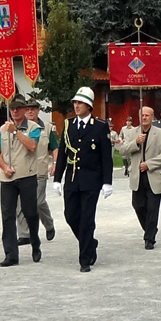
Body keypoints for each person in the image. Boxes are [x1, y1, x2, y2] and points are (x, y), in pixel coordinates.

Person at [53, 87, 113, 273]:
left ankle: (85, 259)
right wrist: (57, 179)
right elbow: (63, 154)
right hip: (72, 180)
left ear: (89, 105)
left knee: (87, 220)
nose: (76, 106)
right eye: (75, 103)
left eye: (80, 103)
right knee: (70, 216)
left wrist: (107, 182)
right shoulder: (69, 125)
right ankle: (90, 243)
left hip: (91, 181)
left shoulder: (100, 126)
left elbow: (106, 157)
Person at [0, 94, 42, 267]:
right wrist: (4, 166)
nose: (14, 111)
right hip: (8, 178)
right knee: (7, 215)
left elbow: (32, 145)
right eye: (12, 109)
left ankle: (35, 242)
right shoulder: (3, 129)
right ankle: (11, 254)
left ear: (24, 110)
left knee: (30, 213)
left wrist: (16, 131)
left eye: (18, 108)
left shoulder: (34, 127)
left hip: (27, 175)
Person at [120, 106, 161, 249]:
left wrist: (149, 164)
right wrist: (136, 142)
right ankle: (150, 228)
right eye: (142, 115)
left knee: (152, 208)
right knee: (138, 205)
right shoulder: (132, 133)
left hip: (154, 175)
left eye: (147, 115)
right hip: (137, 177)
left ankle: (149, 239)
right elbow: (123, 151)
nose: (144, 118)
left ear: (152, 117)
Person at [16, 97, 57, 245]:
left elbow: (54, 147)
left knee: (38, 202)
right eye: (27, 109)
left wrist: (55, 163)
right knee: (20, 204)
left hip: (39, 170)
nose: (30, 111)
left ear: (38, 110)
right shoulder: (19, 128)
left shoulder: (46, 127)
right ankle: (24, 234)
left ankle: (49, 224)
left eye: (33, 109)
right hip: (22, 170)